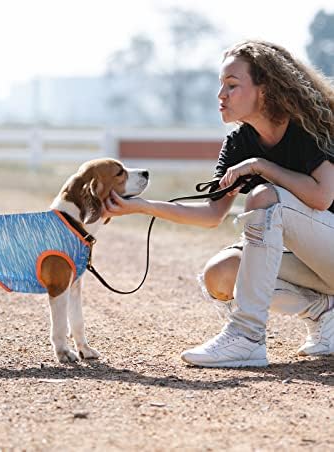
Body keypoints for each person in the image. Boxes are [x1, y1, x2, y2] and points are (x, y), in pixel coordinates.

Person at [104, 40, 334, 368]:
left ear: (264, 90)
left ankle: (246, 336)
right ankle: (325, 313)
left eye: (232, 85)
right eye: (221, 85)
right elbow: (213, 214)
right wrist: (143, 206)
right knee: (220, 275)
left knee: (263, 197)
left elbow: (322, 196)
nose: (221, 95)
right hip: (317, 266)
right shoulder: (239, 143)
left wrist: (262, 167)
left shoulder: (306, 127)